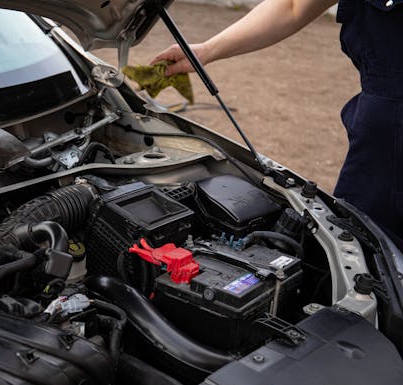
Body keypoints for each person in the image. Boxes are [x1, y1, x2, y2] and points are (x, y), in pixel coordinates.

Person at [152, 0, 403, 248]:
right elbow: (293, 7)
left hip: (385, 139)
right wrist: (204, 52)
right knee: (368, 256)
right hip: (382, 149)